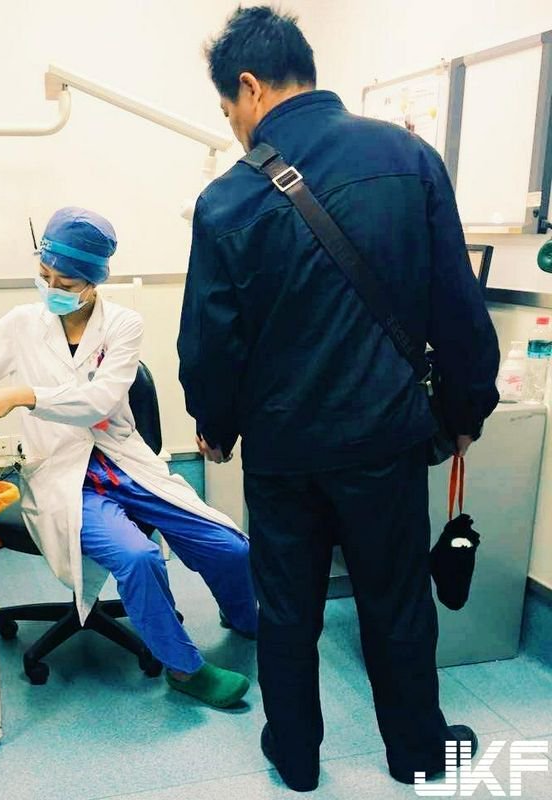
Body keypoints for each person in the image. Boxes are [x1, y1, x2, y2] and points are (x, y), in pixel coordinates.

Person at [177, 6, 500, 791]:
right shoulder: (409, 158)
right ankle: (418, 752)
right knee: (397, 602)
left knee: (288, 611)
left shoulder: (226, 202)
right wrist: (465, 412)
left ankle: (296, 758)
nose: (234, 128)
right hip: (384, 441)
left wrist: (214, 427)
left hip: (283, 454)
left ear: (250, 88)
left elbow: (209, 345)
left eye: (228, 110)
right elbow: (458, 307)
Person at [0, 207, 257, 708]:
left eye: (66, 282)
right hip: (63, 473)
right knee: (138, 556)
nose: (51, 288)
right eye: (44, 276)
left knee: (231, 546)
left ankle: (244, 617)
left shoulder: (123, 324)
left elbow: (99, 402)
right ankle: (183, 669)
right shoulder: (22, 323)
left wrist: (24, 395)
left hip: (123, 462)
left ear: (94, 280)